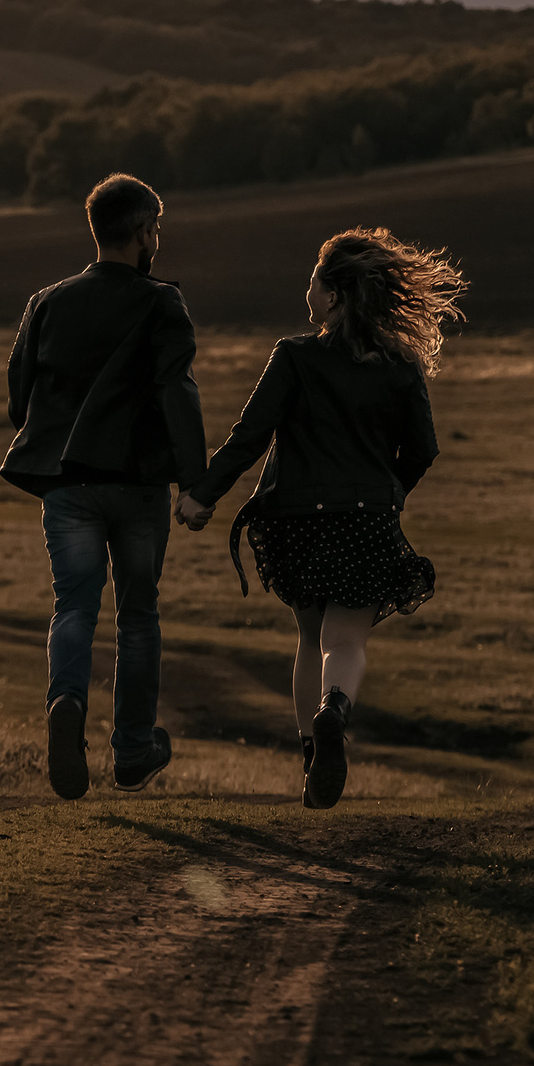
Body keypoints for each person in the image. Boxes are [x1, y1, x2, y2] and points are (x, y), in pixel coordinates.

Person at [177, 228, 467, 807]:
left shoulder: (294, 356)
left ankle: (312, 757)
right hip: (366, 520)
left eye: (313, 281)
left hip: (298, 522)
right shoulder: (402, 365)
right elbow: (424, 450)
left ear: (333, 295)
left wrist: (200, 495)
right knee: (346, 641)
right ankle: (337, 708)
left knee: (310, 637)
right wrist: (388, 492)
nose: (306, 292)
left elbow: (249, 436)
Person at [1, 173, 208, 799]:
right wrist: (193, 481)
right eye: (156, 230)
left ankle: (65, 703)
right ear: (144, 231)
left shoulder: (47, 302)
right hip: (137, 486)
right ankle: (133, 748)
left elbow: (20, 397)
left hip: (69, 484)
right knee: (139, 617)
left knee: (74, 607)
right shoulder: (161, 304)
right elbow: (178, 392)